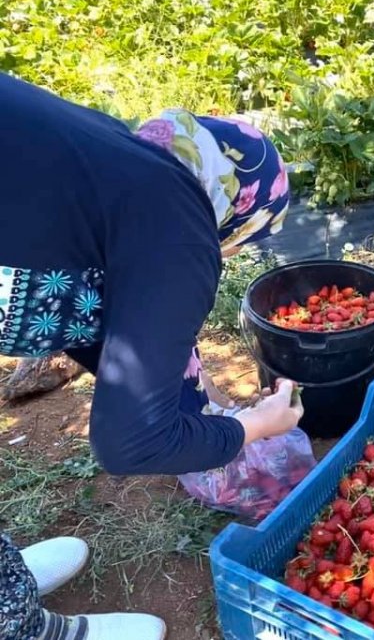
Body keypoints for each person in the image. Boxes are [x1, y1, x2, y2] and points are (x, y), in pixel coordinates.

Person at [0, 74, 303, 639]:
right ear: (239, 211)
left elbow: (123, 326)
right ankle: (21, 626)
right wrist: (256, 426)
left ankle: (5, 579)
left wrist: (195, 399)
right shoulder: (179, 230)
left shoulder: (132, 159)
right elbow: (129, 442)